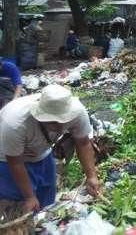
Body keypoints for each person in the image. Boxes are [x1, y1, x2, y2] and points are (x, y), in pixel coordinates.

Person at [0, 85, 100, 213]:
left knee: (47, 203)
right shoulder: (15, 123)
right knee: (21, 207)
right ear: (40, 116)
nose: (60, 126)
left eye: (64, 120)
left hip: (42, 153)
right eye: (53, 122)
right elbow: (15, 163)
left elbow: (83, 143)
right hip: (6, 159)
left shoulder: (77, 112)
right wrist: (29, 197)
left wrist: (91, 176)